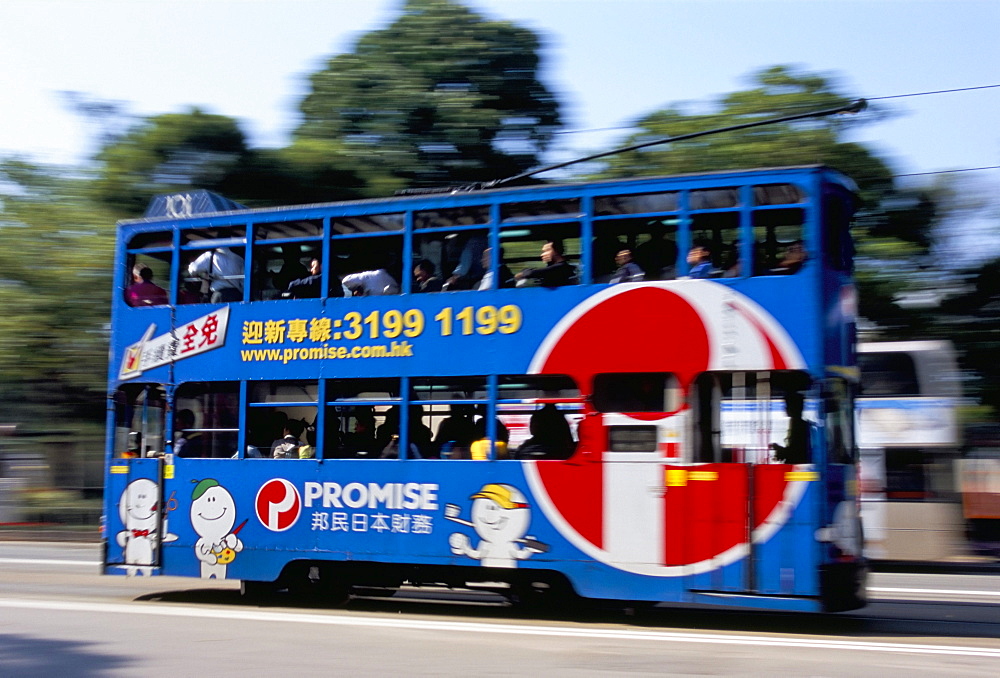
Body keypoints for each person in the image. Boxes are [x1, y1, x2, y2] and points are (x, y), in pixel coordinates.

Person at [770, 391, 811, 464]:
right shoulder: (796, 424)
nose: (785, 409)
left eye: (787, 405)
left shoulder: (799, 426)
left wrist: (779, 449)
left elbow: (796, 452)